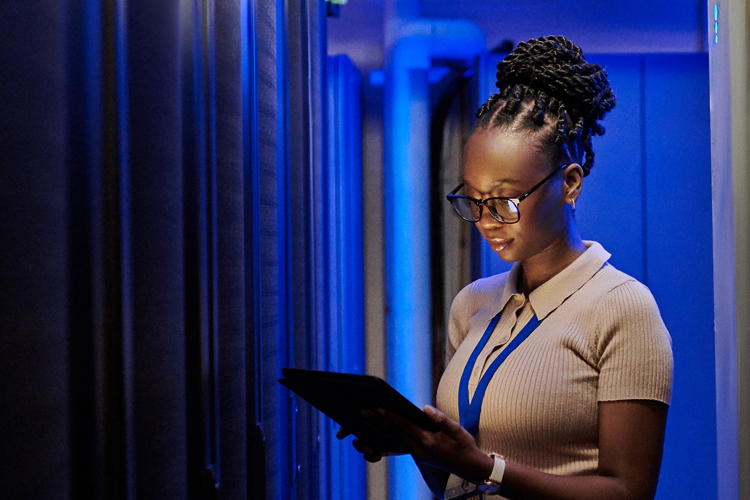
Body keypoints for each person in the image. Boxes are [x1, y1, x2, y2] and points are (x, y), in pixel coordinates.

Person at [340, 36, 674, 500]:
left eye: (504, 201)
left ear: (570, 183)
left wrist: (486, 467)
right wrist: (422, 446)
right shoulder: (473, 303)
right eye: (472, 200)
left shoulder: (623, 309)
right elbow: (457, 483)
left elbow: (628, 492)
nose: (484, 220)